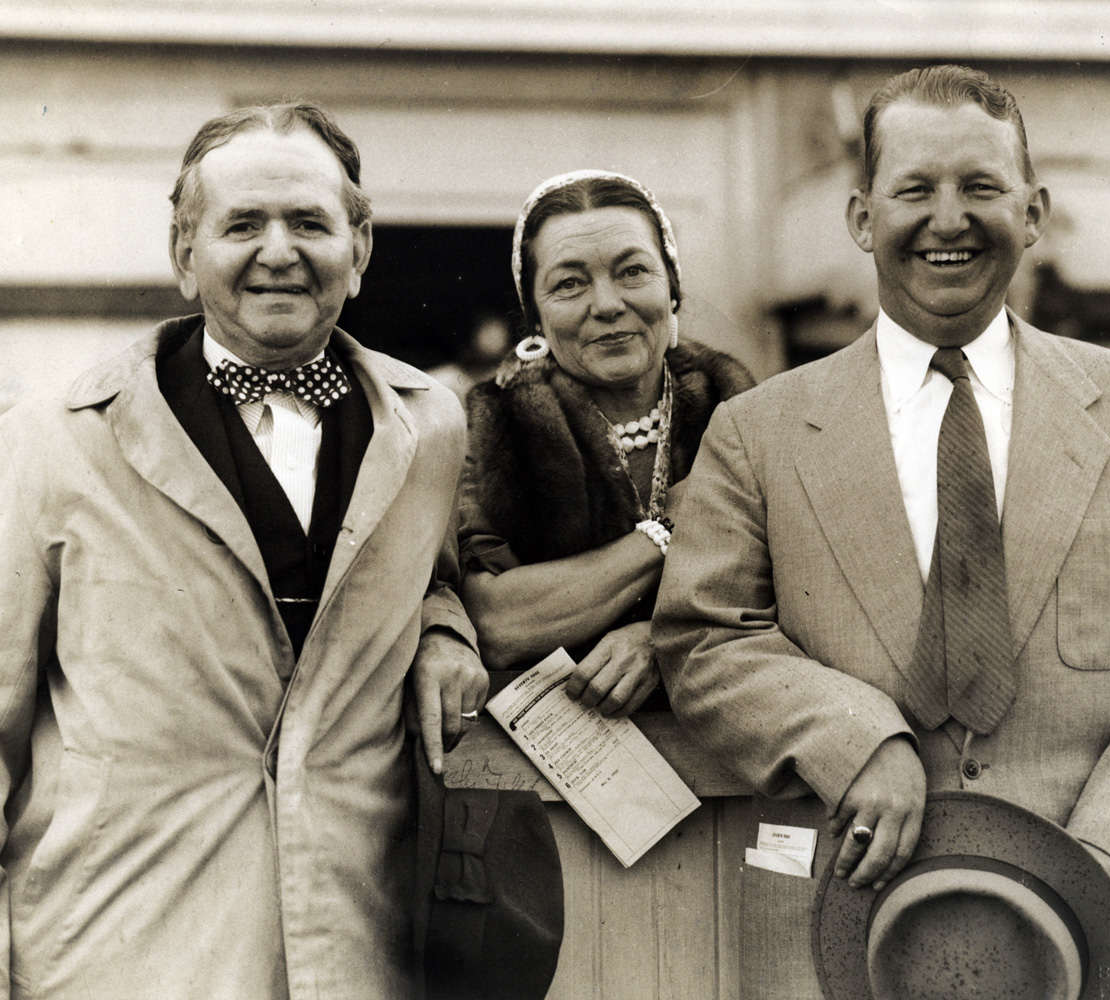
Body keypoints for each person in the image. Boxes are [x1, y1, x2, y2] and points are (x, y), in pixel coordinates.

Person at [653, 65, 1110, 932]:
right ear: (862, 218)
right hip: (843, 928)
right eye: (914, 190)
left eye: (981, 187)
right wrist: (853, 736)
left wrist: (1102, 864)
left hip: (1073, 932)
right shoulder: (759, 432)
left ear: (1032, 213)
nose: (948, 219)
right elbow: (702, 638)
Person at [0, 102, 486, 999]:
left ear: (360, 248)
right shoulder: (51, 440)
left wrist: (445, 631)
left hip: (352, 951)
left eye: (309, 222)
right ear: (185, 256)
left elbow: (428, 575)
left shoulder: (430, 428)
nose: (278, 250)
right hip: (117, 956)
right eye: (241, 225)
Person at [459, 170, 753, 714]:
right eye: (569, 283)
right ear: (536, 315)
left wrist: (660, 639)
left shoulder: (741, 410)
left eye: (633, 271)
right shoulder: (490, 426)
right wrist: (666, 533)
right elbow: (498, 622)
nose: (608, 303)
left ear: (673, 288)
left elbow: (793, 596)